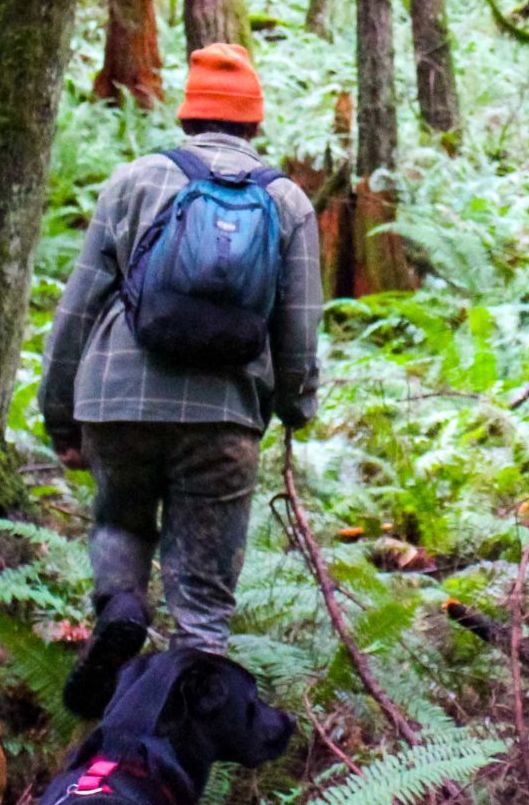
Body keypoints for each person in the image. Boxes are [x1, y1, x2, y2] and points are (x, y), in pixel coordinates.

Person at [41, 43, 323, 717]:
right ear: (255, 122)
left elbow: (78, 305)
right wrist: (294, 406)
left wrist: (61, 415)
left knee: (120, 520)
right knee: (203, 598)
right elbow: (299, 327)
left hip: (117, 400)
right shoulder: (286, 202)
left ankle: (121, 606)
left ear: (188, 115)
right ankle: (179, 735)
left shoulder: (134, 181)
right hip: (222, 417)